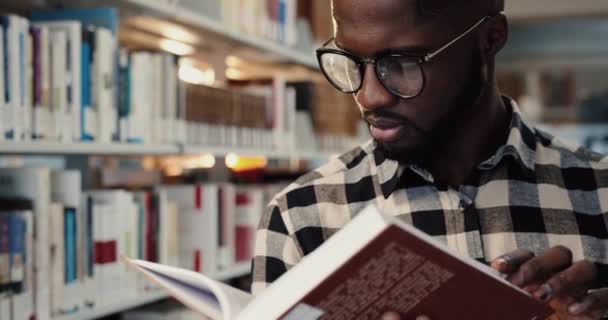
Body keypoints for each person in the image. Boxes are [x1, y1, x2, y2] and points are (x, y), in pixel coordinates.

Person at [252, 0, 608, 319]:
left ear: (490, 38)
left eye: (402, 63)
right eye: (352, 62)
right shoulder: (300, 216)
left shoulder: (601, 193)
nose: (368, 96)